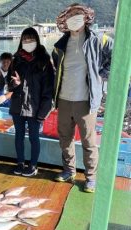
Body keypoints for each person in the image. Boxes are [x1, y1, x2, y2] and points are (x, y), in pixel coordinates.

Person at [53, 3, 113, 192]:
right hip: (63, 98)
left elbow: (116, 56)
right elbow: (57, 69)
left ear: (86, 17)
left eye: (78, 14)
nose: (75, 18)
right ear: (65, 19)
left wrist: (100, 74)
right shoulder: (60, 44)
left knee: (89, 141)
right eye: (71, 15)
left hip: (86, 100)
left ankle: (91, 177)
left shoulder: (99, 39)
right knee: (65, 138)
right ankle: (69, 170)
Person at [8, 27, 54, 177]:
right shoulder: (16, 60)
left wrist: (43, 112)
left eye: (31, 39)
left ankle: (33, 165)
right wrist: (15, 84)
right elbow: (9, 85)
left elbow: (48, 90)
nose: (28, 42)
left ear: (37, 40)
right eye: (25, 39)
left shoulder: (44, 61)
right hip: (17, 105)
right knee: (19, 136)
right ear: (21, 41)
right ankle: (20, 162)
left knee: (34, 137)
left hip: (35, 108)